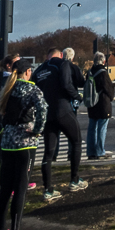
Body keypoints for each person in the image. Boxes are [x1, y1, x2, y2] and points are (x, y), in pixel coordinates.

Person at [0, 58, 46, 230]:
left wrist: (0, 129)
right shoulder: (33, 89)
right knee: (20, 189)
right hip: (25, 144)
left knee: (5, 189)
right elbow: (43, 110)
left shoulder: (7, 90)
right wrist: (37, 130)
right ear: (27, 72)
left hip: (7, 143)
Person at [31, 47, 88, 200]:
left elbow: (32, 90)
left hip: (47, 115)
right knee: (76, 142)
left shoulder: (39, 70)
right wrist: (79, 97)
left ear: (47, 56)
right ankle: (74, 180)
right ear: (61, 55)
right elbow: (66, 84)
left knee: (48, 153)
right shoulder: (62, 64)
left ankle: (48, 189)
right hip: (63, 110)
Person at [86, 52, 115, 159]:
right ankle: (100, 151)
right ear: (104, 61)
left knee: (92, 128)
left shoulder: (89, 72)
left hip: (92, 103)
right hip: (102, 103)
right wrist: (111, 97)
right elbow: (109, 88)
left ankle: (91, 152)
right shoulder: (103, 73)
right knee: (102, 128)